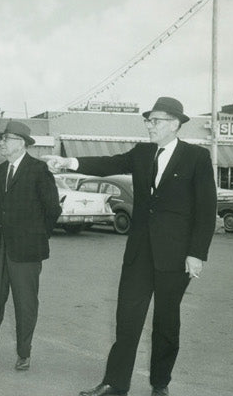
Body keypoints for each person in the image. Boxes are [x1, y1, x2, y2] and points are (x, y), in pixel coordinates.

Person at [42, 97, 217, 396]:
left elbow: (206, 209)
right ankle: (115, 383)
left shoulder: (196, 158)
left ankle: (160, 384)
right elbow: (109, 163)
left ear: (175, 124)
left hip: (176, 257)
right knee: (127, 319)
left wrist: (196, 254)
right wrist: (69, 162)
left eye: (156, 121)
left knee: (166, 323)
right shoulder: (142, 152)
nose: (149, 125)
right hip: (139, 253)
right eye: (148, 120)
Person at [0, 126, 60, 371]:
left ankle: (24, 354)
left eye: (6, 140)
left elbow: (53, 209)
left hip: (27, 250)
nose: (1, 144)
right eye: (1, 140)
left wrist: (37, 236)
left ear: (22, 143)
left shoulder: (38, 170)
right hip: (1, 247)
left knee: (25, 303)